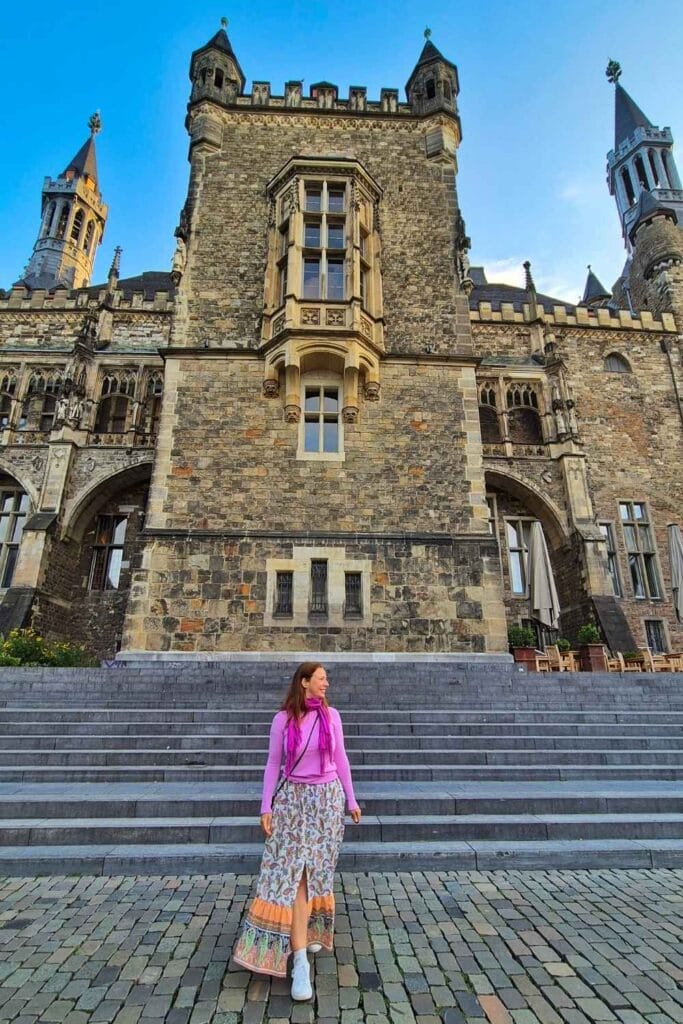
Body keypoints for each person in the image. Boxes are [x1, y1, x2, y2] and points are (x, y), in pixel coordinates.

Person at [232, 661, 361, 1000]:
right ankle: (300, 961)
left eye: (326, 679)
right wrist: (265, 806)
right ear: (304, 682)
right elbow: (273, 763)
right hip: (292, 802)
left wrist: (351, 799)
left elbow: (341, 758)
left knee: (319, 869)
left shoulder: (332, 717)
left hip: (326, 801)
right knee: (297, 875)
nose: (326, 684)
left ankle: (312, 928)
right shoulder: (283, 720)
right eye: (321, 679)